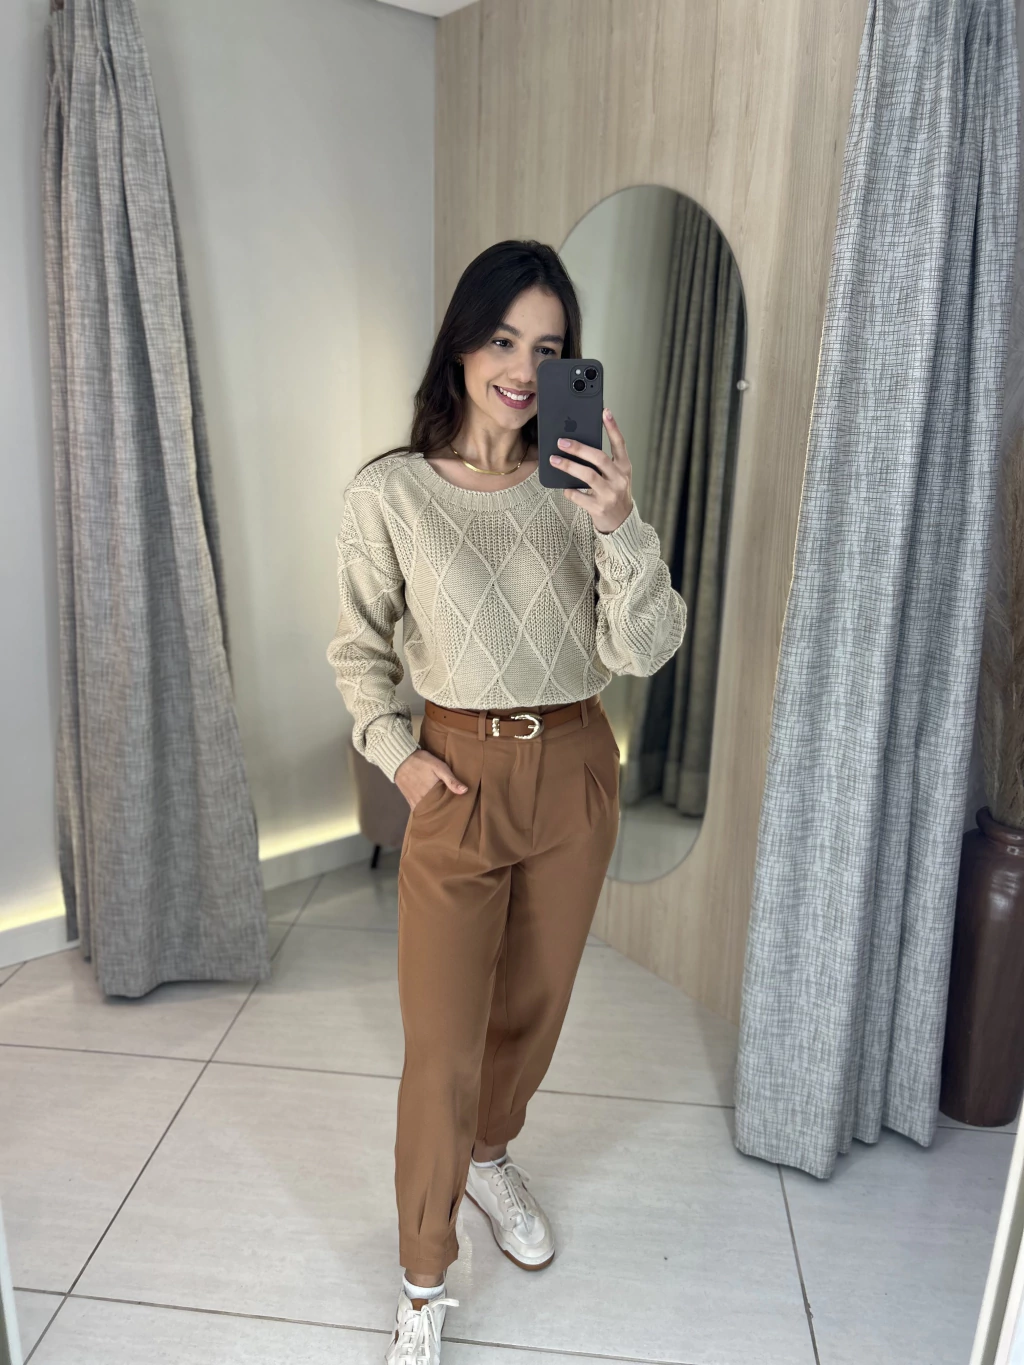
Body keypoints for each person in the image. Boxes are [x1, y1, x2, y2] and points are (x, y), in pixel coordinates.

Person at [326, 238, 687, 1365]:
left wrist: (621, 525)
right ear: (462, 345)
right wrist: (399, 754)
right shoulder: (390, 492)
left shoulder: (578, 490)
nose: (524, 369)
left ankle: (491, 1155)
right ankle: (422, 1280)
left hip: (575, 765)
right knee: (440, 1042)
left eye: (550, 347)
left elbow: (645, 647)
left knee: (531, 1011)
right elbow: (358, 651)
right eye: (502, 339)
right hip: (457, 772)